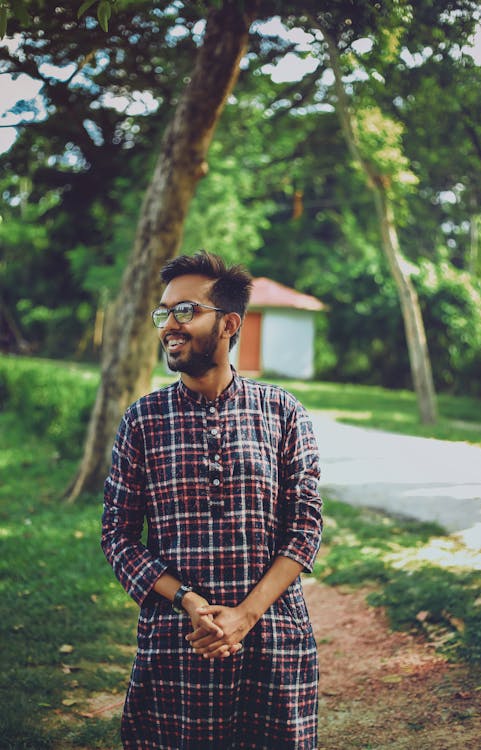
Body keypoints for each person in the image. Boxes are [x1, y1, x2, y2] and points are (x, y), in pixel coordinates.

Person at [101, 250, 323, 749]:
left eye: (185, 311)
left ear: (229, 324)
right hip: (179, 645)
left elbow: (305, 528)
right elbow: (117, 536)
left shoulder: (283, 413)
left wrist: (244, 615)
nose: (169, 326)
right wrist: (189, 601)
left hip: (273, 642)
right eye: (164, 312)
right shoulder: (143, 420)